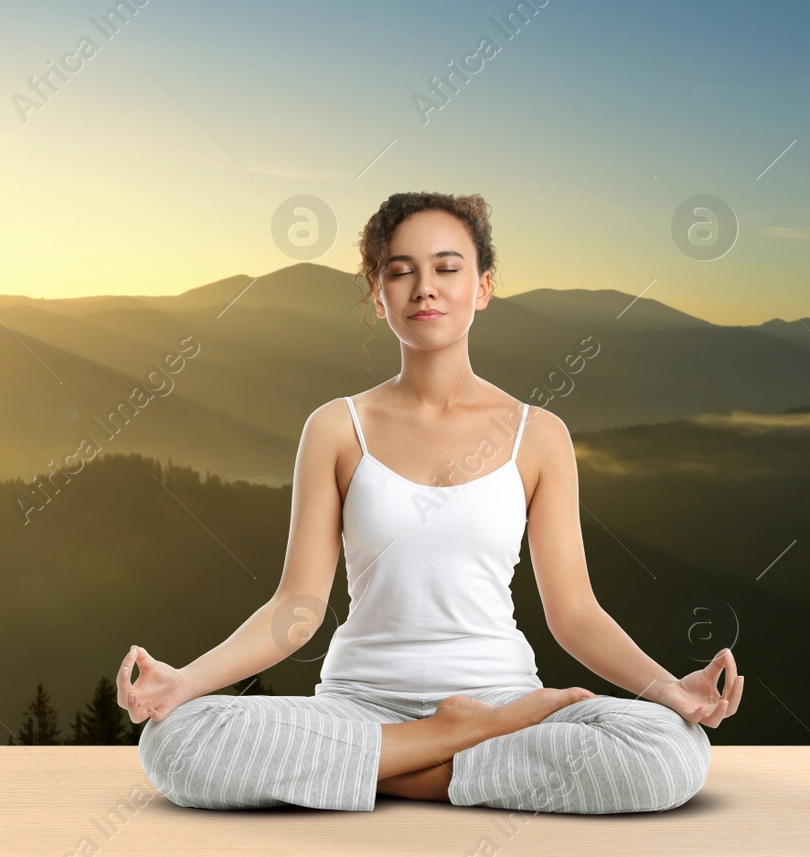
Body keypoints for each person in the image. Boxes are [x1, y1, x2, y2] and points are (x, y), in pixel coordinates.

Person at [118, 191, 745, 813]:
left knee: (668, 751)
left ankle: (388, 767)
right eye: (401, 271)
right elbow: (297, 607)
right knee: (176, 741)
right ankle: (445, 742)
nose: (425, 288)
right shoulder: (337, 428)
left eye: (447, 268)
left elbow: (575, 613)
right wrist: (187, 681)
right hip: (357, 705)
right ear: (377, 291)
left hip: (505, 705)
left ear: (483, 286)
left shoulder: (540, 435)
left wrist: (668, 690)